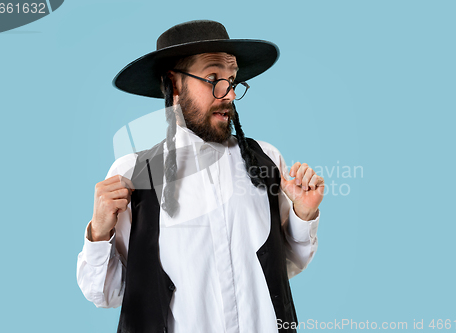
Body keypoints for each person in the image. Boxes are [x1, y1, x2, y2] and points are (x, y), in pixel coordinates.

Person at [77, 20, 325, 333]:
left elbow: (287, 266)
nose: (229, 94)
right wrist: (99, 231)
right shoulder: (133, 175)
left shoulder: (265, 160)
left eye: (232, 80)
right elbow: (106, 294)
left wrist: (304, 215)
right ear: (174, 84)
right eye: (213, 79)